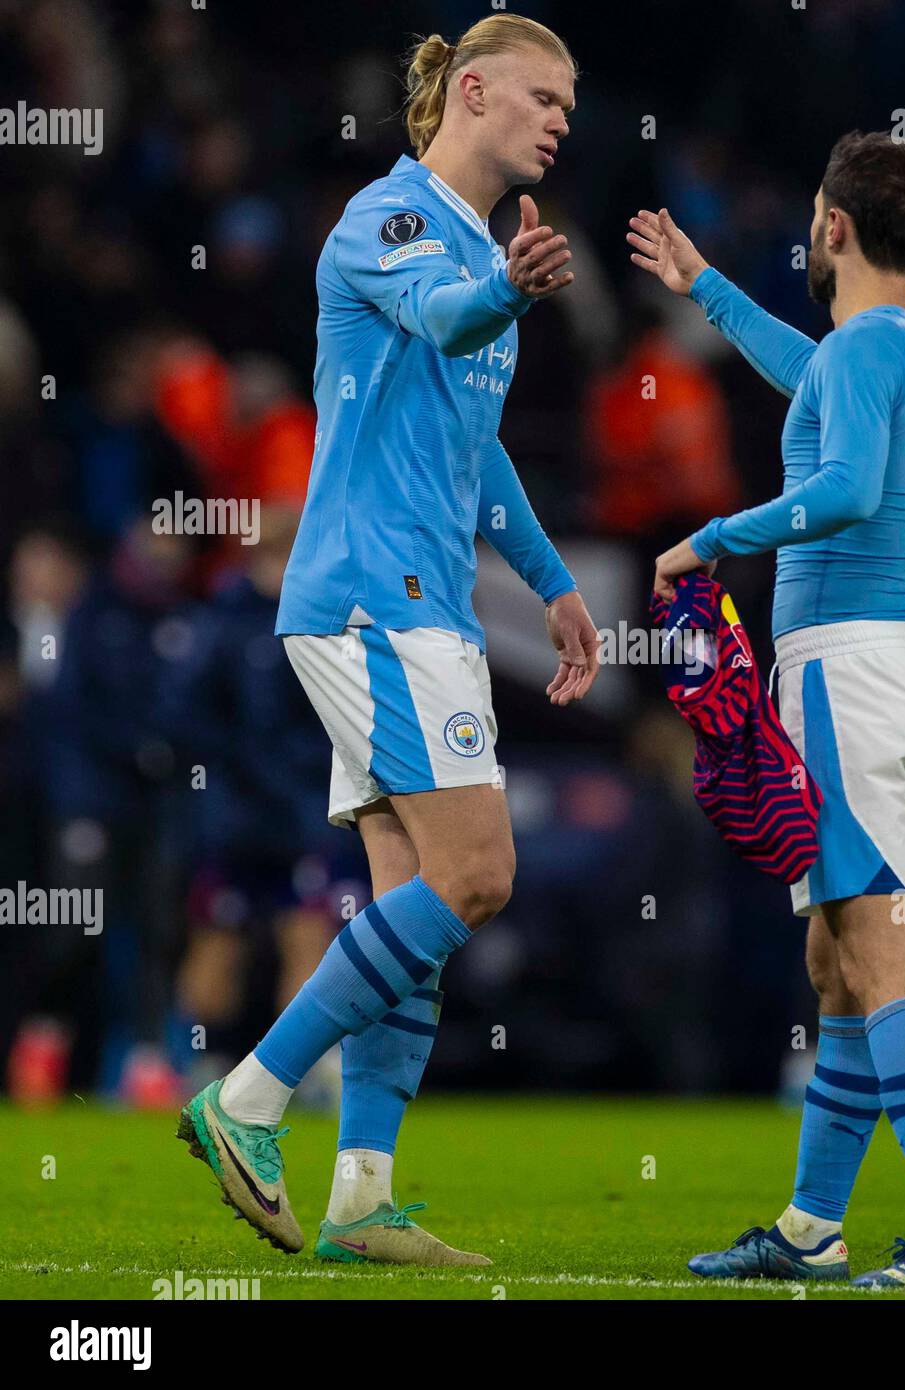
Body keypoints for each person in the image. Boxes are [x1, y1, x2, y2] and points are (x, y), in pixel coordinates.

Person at [177, 15, 599, 1265]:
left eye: (570, 104)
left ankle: (362, 1191)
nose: (561, 119)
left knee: (410, 902)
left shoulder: (484, 251)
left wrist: (555, 583)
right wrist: (500, 291)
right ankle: (247, 1101)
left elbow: (482, 457)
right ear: (472, 92)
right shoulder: (394, 221)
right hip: (373, 601)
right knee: (480, 876)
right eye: (542, 96)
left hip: (424, 604)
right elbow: (444, 320)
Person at [630, 132, 905, 1290]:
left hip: (844, 671)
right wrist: (708, 287)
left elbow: (840, 488)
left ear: (833, 226)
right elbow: (818, 382)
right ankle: (811, 1224)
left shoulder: (865, 356)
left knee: (881, 949)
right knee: (836, 957)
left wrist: (710, 537)